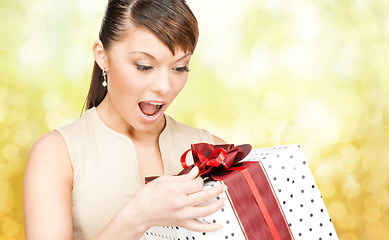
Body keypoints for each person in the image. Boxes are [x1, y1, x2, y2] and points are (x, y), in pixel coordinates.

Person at [23, 0, 227, 239]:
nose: (164, 86)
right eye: (144, 66)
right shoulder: (58, 154)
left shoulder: (215, 151)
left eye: (180, 68)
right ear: (102, 56)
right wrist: (138, 216)